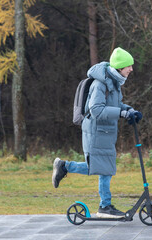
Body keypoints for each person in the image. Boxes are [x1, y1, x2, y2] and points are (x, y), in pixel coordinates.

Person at [52, 47, 142, 218]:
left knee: (102, 167)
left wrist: (130, 110)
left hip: (105, 133)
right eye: (128, 66)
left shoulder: (114, 83)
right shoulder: (100, 84)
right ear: (119, 67)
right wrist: (121, 113)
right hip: (96, 132)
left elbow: (117, 105)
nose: (131, 69)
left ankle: (65, 166)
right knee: (104, 168)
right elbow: (96, 110)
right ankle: (105, 206)